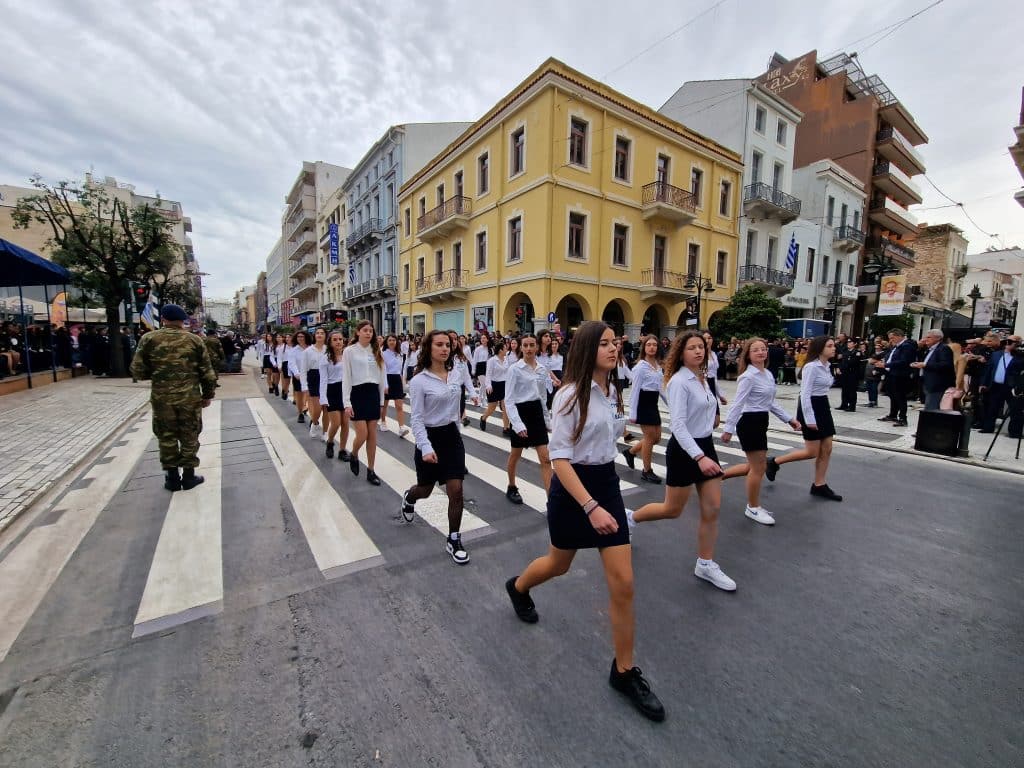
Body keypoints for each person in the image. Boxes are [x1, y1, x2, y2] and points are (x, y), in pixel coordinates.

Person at [504, 321, 664, 722]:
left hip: (605, 482)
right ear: (588, 349)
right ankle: (519, 586)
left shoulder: (612, 391)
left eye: (616, 342)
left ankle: (624, 672)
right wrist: (590, 507)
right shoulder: (569, 396)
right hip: (574, 490)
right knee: (560, 563)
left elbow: (606, 441)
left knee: (624, 584)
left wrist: (634, 444)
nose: (614, 348)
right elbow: (559, 459)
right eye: (605, 343)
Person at [627, 331, 736, 592]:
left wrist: (716, 414)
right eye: (692, 348)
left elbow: (706, 409)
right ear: (681, 353)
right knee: (672, 509)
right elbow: (678, 425)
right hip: (686, 450)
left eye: (701, 347)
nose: (699, 351)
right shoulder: (679, 381)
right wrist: (698, 457)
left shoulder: (703, 378)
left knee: (713, 508)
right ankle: (631, 517)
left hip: (705, 445)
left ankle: (705, 563)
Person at [402, 330, 480, 564]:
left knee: (456, 490)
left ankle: (453, 539)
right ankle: (410, 497)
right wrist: (425, 446)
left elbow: (457, 401)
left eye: (447, 344)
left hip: (451, 437)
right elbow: (415, 418)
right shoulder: (419, 381)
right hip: (428, 437)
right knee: (425, 489)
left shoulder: (456, 373)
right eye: (439, 345)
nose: (445, 348)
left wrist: (469, 403)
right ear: (429, 348)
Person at [130, 304, 216, 492]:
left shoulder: (149, 339)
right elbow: (207, 373)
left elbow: (137, 370)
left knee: (166, 436)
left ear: (163, 319)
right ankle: (189, 476)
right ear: (182, 320)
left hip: (162, 399)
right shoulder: (194, 340)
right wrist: (208, 394)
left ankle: (172, 479)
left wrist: (157, 374)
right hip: (189, 398)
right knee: (189, 435)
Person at [720, 338, 802, 525]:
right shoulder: (748, 377)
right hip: (749, 422)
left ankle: (716, 477)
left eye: (763, 349)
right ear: (748, 354)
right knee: (758, 468)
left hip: (761, 420)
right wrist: (728, 429)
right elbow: (738, 403)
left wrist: (789, 419)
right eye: (756, 350)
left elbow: (771, 402)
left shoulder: (767, 374)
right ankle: (753, 507)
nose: (760, 352)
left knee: (754, 466)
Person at [765, 335, 842, 501]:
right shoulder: (811, 367)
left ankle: (819, 484)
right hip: (810, 406)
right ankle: (774, 462)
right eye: (830, 346)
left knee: (827, 447)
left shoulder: (827, 365)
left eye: (833, 345)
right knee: (811, 452)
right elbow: (805, 394)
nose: (834, 348)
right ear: (820, 348)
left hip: (823, 405)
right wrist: (810, 419)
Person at [504, 333, 552, 504]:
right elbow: (508, 400)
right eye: (525, 345)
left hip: (537, 413)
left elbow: (543, 397)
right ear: (520, 347)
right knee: (515, 454)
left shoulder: (541, 368)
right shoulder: (514, 369)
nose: (529, 348)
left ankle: (551, 500)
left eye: (532, 345)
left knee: (546, 458)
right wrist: (517, 424)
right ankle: (511, 485)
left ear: (537, 347)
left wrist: (547, 421)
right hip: (521, 412)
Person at [343, 320, 386, 484]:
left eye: (371, 331)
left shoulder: (377, 351)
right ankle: (354, 453)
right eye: (365, 330)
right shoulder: (349, 351)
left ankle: (371, 470)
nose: (369, 333)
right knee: (362, 434)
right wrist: (347, 402)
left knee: (372, 435)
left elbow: (382, 377)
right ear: (358, 332)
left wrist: (382, 401)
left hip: (373, 393)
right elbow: (346, 377)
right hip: (357, 393)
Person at [621, 335, 663, 484]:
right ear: (644, 347)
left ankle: (630, 452)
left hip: (654, 403)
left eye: (654, 345)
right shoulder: (640, 367)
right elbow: (635, 390)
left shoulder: (658, 366)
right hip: (643, 403)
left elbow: (661, 388)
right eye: (649, 345)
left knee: (656, 438)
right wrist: (633, 412)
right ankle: (646, 471)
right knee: (650, 438)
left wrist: (672, 404)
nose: (652, 347)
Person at [979, 336, 1023, 437]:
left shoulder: (1019, 356)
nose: (1007, 343)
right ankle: (988, 427)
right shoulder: (996, 354)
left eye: (1011, 341)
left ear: (1017, 343)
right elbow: (988, 370)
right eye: (1006, 341)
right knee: (992, 408)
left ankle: (1015, 432)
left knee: (1015, 410)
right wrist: (983, 383)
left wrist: (1016, 351)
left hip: (1011, 387)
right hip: (996, 385)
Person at [319, 331, 352, 461]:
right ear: (330, 342)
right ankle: (330, 442)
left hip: (345, 390)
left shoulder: (347, 356)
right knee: (336, 423)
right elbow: (323, 380)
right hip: (332, 390)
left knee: (345, 423)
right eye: (335, 339)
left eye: (340, 339)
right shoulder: (325, 358)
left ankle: (342, 450)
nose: (338, 342)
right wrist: (323, 398)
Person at [876, 328, 917, 428]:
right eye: (890, 338)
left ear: (899, 336)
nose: (891, 340)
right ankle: (893, 414)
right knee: (892, 395)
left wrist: (886, 365)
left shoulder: (907, 346)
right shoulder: (897, 346)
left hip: (900, 375)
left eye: (892, 338)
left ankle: (903, 418)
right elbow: (890, 357)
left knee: (900, 396)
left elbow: (904, 361)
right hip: (891, 374)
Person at [912, 329, 956, 411]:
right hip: (927, 381)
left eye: (929, 337)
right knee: (928, 406)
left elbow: (945, 365)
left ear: (938, 338)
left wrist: (925, 365)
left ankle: (929, 423)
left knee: (931, 408)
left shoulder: (943, 349)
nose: (926, 339)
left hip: (937, 384)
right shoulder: (929, 349)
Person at [380, 334, 410, 436]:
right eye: (390, 340)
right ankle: (383, 421)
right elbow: (383, 370)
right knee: (384, 404)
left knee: (399, 405)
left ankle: (401, 427)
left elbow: (400, 370)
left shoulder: (399, 354)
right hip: (387, 378)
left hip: (397, 379)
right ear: (386, 342)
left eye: (394, 340)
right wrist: (385, 385)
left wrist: (403, 382)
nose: (392, 342)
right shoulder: (383, 353)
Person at [479, 338, 511, 434]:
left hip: (504, 385)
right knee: (492, 407)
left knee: (506, 407)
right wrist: (488, 385)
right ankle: (483, 418)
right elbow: (488, 374)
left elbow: (508, 372)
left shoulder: (506, 359)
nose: (507, 350)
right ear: (501, 350)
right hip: (494, 385)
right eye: (505, 348)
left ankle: (506, 428)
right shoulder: (492, 360)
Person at [305, 327, 328, 439]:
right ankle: (314, 423)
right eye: (317, 333)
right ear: (314, 336)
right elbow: (303, 369)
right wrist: (304, 385)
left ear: (325, 336)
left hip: (328, 379)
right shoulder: (308, 351)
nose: (319, 335)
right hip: (313, 378)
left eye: (322, 333)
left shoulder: (328, 349)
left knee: (326, 408)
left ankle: (325, 432)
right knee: (318, 408)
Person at [290, 330, 311, 423]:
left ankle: (308, 409)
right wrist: (296, 373)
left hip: (310, 375)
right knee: (299, 395)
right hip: (298, 376)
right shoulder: (293, 350)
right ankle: (300, 413)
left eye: (302, 336)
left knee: (310, 395)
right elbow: (292, 363)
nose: (300, 338)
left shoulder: (311, 348)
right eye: (298, 337)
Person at [837, 338, 863, 411]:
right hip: (845, 373)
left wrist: (843, 366)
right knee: (844, 389)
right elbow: (841, 361)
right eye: (848, 342)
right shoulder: (845, 351)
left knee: (852, 390)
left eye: (851, 342)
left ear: (855, 344)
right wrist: (839, 368)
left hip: (853, 373)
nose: (848, 343)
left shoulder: (857, 352)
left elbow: (853, 362)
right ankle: (844, 404)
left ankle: (852, 406)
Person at [543, 335, 565, 411]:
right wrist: (553, 379)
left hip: (560, 376)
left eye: (556, 344)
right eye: (553, 344)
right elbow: (547, 369)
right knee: (550, 395)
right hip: (551, 376)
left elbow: (563, 367)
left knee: (559, 396)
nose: (554, 345)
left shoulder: (561, 355)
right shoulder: (548, 356)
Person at [274, 333, 289, 400]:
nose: (279, 338)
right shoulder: (275, 346)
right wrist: (276, 364)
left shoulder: (286, 345)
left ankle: (284, 390)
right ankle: (276, 387)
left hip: (285, 363)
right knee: (277, 377)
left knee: (286, 380)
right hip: (277, 362)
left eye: (280, 337)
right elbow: (274, 356)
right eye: (277, 337)